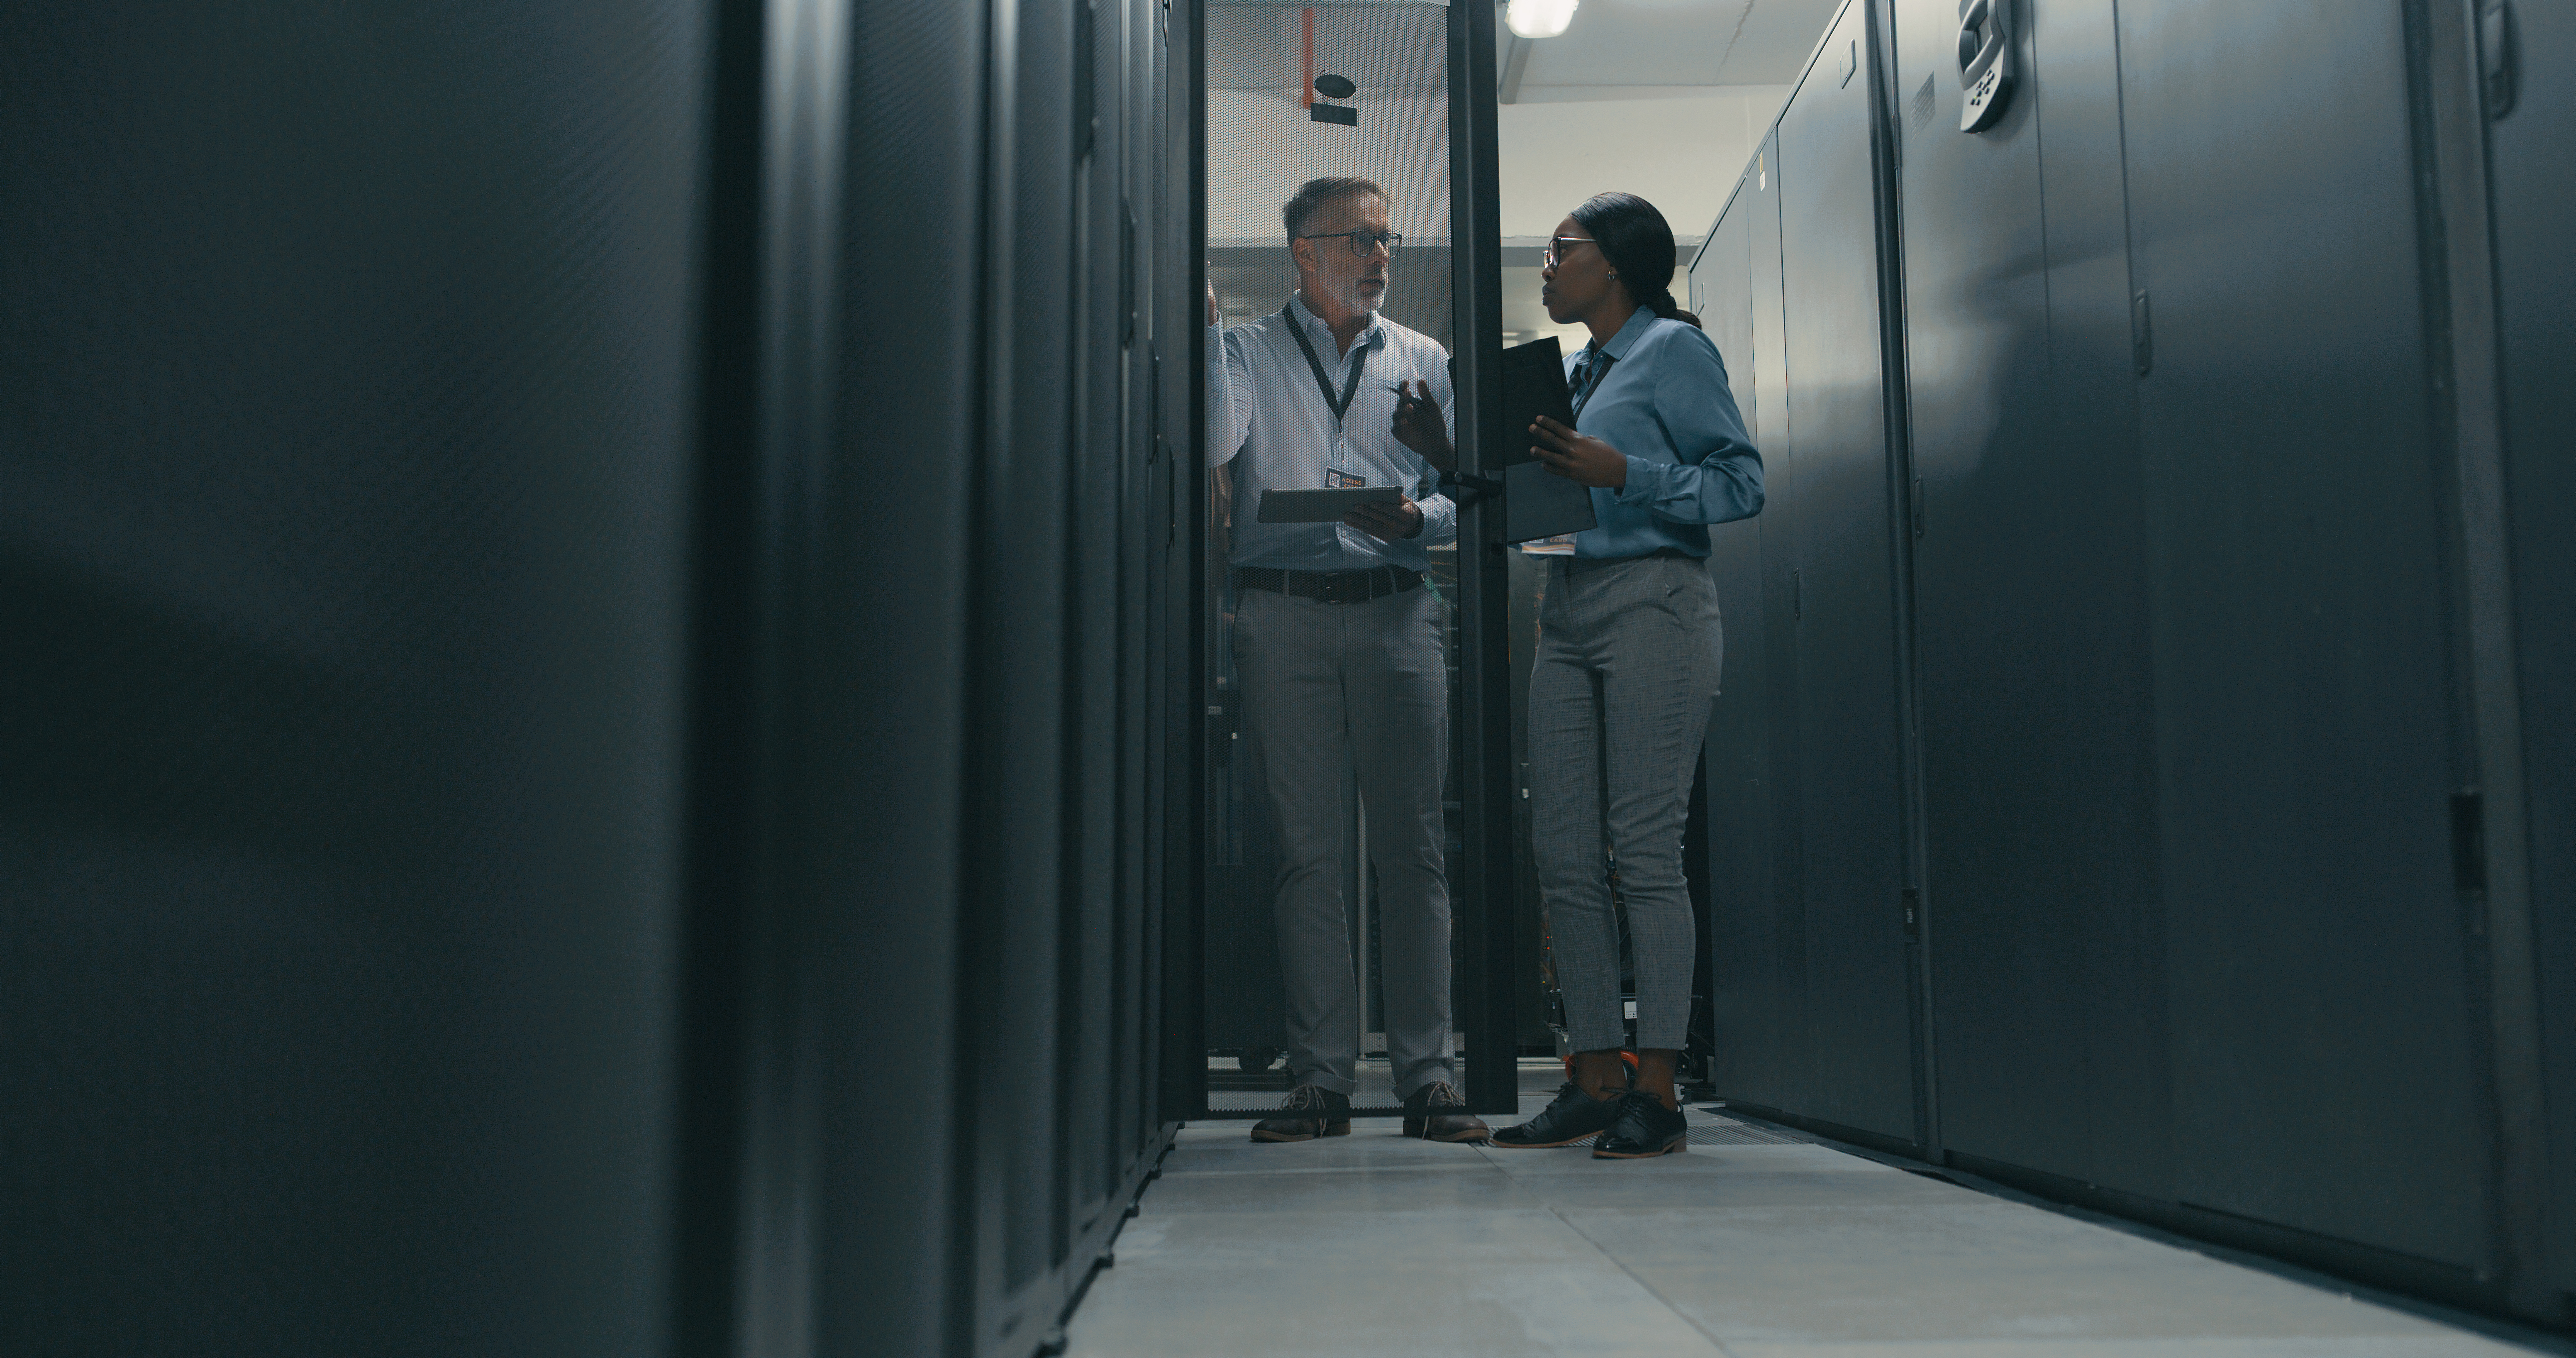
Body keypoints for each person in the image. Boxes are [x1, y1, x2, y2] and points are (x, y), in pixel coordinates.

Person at [1206, 176, 1487, 1145]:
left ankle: (1428, 1080)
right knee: (1306, 856)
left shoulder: (1423, 358)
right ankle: (1320, 1079)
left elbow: (1463, 489)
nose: (1378, 258)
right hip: (1281, 619)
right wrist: (1203, 333)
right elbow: (1212, 443)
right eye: (1360, 241)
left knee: (1413, 853)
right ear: (1305, 253)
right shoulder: (1243, 350)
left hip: (1397, 612)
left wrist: (1421, 515)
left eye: (1386, 242)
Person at [1489, 192, 1763, 1159]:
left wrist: (1627, 474)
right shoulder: (1574, 371)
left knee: (1643, 852)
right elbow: (1553, 487)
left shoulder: (1674, 352)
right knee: (1563, 854)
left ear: (1616, 263)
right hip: (1563, 604)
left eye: (1560, 252)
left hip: (1655, 602)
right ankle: (1594, 1077)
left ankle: (1660, 1089)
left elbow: (1742, 482)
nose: (1549, 269)